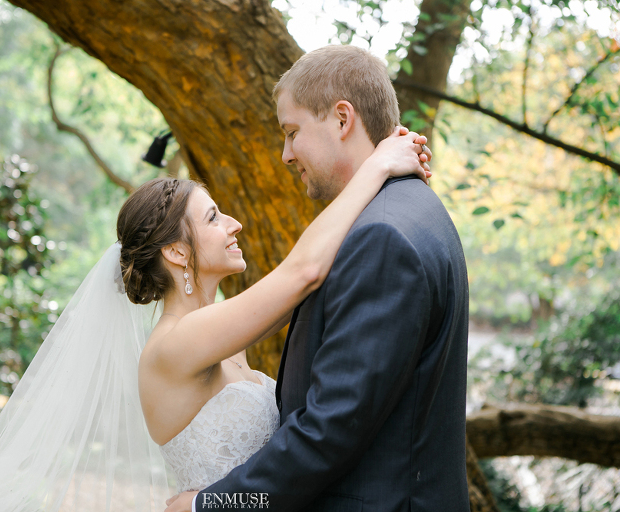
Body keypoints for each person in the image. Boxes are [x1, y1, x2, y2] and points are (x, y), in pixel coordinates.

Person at [0, 75, 429, 512]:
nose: (235, 224)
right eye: (213, 217)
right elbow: (301, 272)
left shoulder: (222, 329)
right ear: (178, 252)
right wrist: (377, 165)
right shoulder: (177, 345)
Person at [166, 45, 470, 512]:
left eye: (292, 132)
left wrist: (212, 506)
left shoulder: (381, 238)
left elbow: (329, 431)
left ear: (342, 119)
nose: (285, 154)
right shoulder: (408, 211)